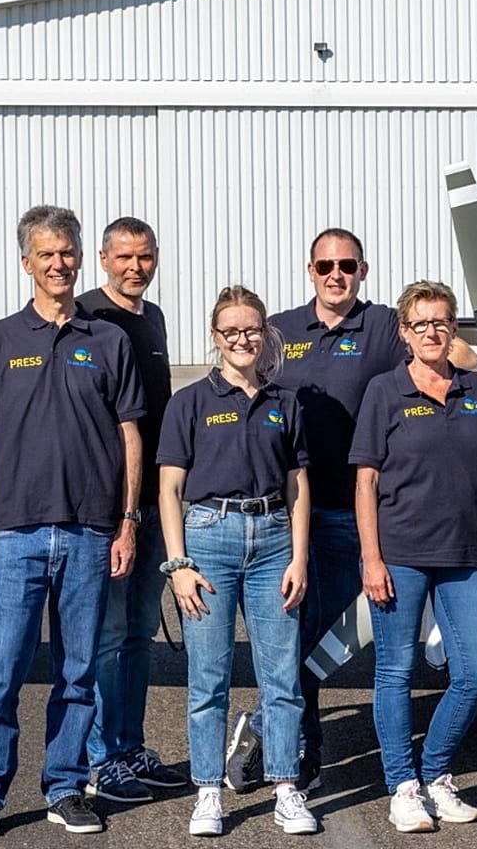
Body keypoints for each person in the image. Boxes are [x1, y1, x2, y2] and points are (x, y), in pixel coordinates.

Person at [228, 229, 477, 792]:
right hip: (284, 513)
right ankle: (300, 746)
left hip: (349, 511)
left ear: (362, 270)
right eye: (324, 265)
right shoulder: (282, 331)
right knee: (291, 632)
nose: (335, 274)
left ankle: (270, 725)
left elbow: (452, 354)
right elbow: (243, 386)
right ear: (309, 269)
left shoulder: (385, 329)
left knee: (320, 637)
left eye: (346, 265)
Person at [0, 205, 145, 842]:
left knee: (79, 670)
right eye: (46, 253)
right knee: (1, 667)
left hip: (92, 531)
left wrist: (126, 523)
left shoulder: (109, 341)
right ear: (26, 263)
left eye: (67, 251)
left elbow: (130, 438)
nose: (58, 263)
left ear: (78, 257)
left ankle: (66, 787)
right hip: (16, 534)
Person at [156, 285, 317, 836]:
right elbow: (168, 489)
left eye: (251, 330)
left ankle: (286, 787)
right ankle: (208, 792)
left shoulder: (285, 403)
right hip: (210, 539)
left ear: (266, 334)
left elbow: (298, 487)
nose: (242, 339)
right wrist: (178, 565)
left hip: (274, 539)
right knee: (209, 677)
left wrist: (299, 557)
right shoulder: (190, 403)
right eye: (231, 331)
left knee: (282, 676)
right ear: (215, 337)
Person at [349, 281, 477, 833]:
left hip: (464, 552)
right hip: (401, 552)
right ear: (404, 332)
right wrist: (371, 556)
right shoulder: (384, 392)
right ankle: (403, 786)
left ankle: (436, 774)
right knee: (396, 670)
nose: (432, 333)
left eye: (442, 323)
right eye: (421, 324)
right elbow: (365, 482)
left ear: (453, 329)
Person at [78, 217, 186, 803]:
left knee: (140, 632)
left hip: (152, 503)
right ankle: (101, 759)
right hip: (112, 507)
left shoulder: (155, 318)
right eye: (124, 257)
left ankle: (128, 744)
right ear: (103, 258)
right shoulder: (88, 318)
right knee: (109, 632)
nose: (135, 267)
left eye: (144, 257)